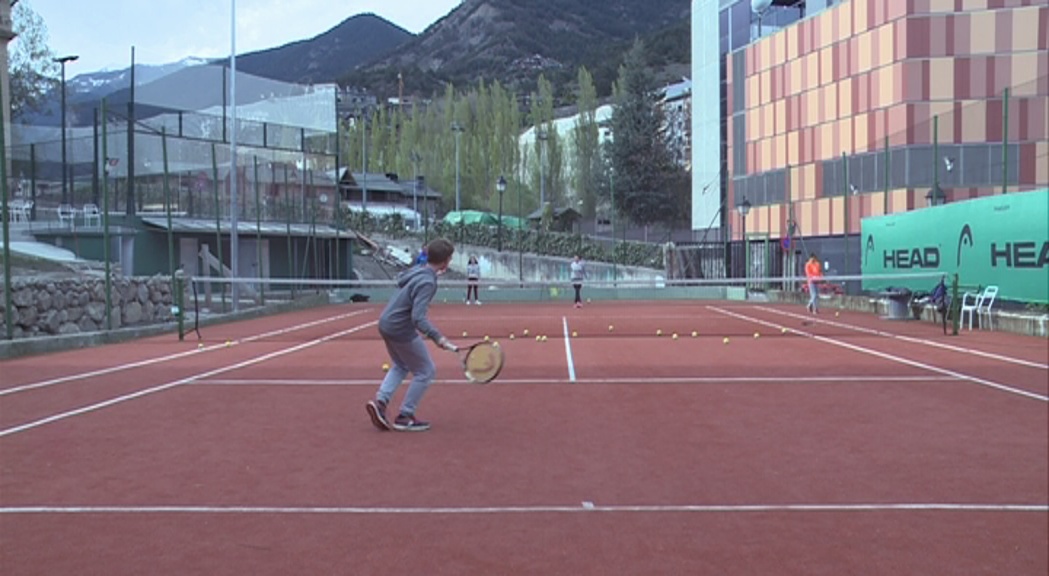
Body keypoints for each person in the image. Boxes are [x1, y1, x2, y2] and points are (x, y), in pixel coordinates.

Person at [366, 238, 457, 432]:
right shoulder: (427, 282)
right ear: (445, 262)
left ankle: (381, 403)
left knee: (401, 364)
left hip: (385, 323)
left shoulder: (417, 271)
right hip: (400, 328)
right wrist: (438, 337)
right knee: (426, 371)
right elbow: (418, 318)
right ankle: (405, 415)